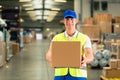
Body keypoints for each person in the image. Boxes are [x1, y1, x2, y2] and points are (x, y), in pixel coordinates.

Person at [46, 9, 94, 80]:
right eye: (67, 19)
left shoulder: (84, 38)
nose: (69, 21)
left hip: (78, 75)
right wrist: (53, 61)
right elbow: (48, 54)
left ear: (76, 21)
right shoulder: (57, 38)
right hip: (60, 75)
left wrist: (85, 60)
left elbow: (90, 56)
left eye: (72, 19)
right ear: (64, 21)